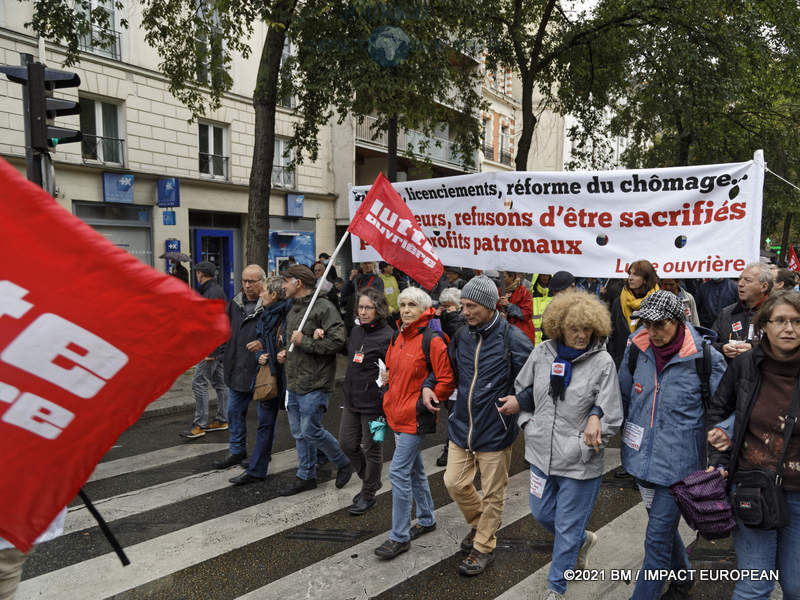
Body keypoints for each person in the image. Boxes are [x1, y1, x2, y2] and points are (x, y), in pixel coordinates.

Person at [513, 290, 622, 599]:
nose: (580, 335)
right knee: (541, 513)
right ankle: (580, 540)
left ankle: (556, 587)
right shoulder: (541, 353)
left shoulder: (602, 363)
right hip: (539, 454)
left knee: (566, 526)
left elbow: (612, 413)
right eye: (574, 328)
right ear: (559, 326)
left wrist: (594, 426)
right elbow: (522, 391)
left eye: (586, 329)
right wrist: (526, 424)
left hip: (579, 461)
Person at [618, 291, 726, 600]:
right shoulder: (637, 348)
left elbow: (726, 410)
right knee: (661, 527)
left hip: (678, 468)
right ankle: (683, 576)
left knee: (655, 541)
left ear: (679, 321)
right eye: (646, 324)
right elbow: (623, 395)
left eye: (659, 325)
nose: (651, 332)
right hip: (639, 460)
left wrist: (720, 451)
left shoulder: (706, 358)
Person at [707, 290, 800, 600]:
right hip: (752, 487)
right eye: (781, 321)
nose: (790, 328)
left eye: (798, 321)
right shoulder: (746, 364)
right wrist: (720, 446)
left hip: (799, 494)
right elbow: (720, 409)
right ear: (764, 326)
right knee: (754, 585)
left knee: (796, 585)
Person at [443, 275, 533, 576]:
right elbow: (449, 372)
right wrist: (432, 385)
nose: (465, 312)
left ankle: (483, 546)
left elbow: (536, 383)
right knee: (453, 482)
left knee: (493, 491)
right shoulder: (462, 335)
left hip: (495, 429)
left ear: (489, 305)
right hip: (462, 426)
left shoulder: (513, 338)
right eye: (463, 306)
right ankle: (481, 523)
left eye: (471, 306)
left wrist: (520, 401)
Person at [374, 287, 455, 560]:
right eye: (403, 304)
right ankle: (427, 517)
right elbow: (393, 369)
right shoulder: (398, 335)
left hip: (415, 417)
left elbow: (446, 379)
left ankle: (399, 536)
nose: (407, 310)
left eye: (412, 305)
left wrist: (428, 398)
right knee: (414, 470)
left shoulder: (433, 339)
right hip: (395, 413)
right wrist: (387, 381)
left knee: (397, 472)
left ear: (423, 310)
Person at [278, 265, 351, 496]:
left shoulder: (323, 307)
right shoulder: (293, 308)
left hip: (315, 382)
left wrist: (305, 342)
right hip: (294, 381)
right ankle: (306, 475)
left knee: (310, 430)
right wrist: (285, 352)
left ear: (298, 283)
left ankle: (343, 462)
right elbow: (293, 342)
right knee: (299, 432)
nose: (282, 285)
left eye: (285, 281)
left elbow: (338, 342)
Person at [229, 277, 289, 485]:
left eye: (263, 291)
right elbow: (263, 342)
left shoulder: (290, 314)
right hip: (269, 377)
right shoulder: (265, 316)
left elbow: (291, 343)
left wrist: (282, 350)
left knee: (304, 427)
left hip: (289, 378)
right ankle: (256, 470)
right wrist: (261, 353)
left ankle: (324, 456)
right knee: (264, 425)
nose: (260, 295)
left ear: (273, 295)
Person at [339, 288, 394, 515]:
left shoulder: (389, 336)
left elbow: (395, 367)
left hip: (376, 406)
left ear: (378, 309)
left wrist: (391, 374)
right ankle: (371, 480)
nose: (362, 312)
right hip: (352, 401)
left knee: (373, 447)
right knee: (346, 443)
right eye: (360, 307)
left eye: (368, 308)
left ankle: (368, 493)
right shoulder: (356, 331)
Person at [212, 264, 266, 470]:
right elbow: (224, 330)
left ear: (262, 282)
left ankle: (262, 453)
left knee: (263, 419)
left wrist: (262, 344)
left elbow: (279, 333)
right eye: (244, 281)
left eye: (251, 281)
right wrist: (224, 355)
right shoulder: (234, 303)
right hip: (237, 367)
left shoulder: (269, 304)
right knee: (234, 412)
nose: (246, 285)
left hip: (261, 370)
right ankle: (237, 451)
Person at [180, 261, 228, 439]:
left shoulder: (210, 292)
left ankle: (199, 424)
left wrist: (212, 351)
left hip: (209, 346)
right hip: (217, 345)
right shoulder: (215, 289)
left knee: (199, 383)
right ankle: (222, 419)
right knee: (220, 383)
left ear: (201, 274)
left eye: (197, 272)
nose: (196, 275)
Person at [433, 287, 467, 467]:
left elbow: (458, 337)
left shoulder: (462, 320)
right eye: (443, 306)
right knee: (453, 411)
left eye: (449, 306)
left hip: (460, 374)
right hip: (446, 372)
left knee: (456, 413)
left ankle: (451, 449)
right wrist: (437, 317)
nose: (446, 309)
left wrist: (452, 316)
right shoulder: (441, 318)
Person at [712, 263, 772, 362]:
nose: (740, 284)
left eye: (748, 280)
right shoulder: (727, 313)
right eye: (740, 279)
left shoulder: (776, 314)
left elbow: (785, 348)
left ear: (764, 286)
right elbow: (710, 343)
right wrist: (722, 348)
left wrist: (755, 349)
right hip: (731, 374)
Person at [608, 259, 660, 367]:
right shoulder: (619, 301)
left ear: (646, 279)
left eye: (636, 275)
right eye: (629, 274)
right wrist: (614, 358)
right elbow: (611, 332)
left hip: (649, 361)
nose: (630, 278)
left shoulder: (659, 300)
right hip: (621, 361)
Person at [498, 271, 536, 345]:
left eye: (503, 277)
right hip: (503, 335)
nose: (500, 280)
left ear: (512, 277)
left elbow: (528, 314)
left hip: (521, 337)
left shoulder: (523, 292)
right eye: (499, 277)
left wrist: (509, 306)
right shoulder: (498, 292)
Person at [530, 273, 553, 345]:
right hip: (532, 341)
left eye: (547, 275)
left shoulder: (555, 296)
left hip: (551, 341)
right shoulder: (530, 296)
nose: (545, 277)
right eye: (542, 274)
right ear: (537, 276)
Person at [378, 261, 400, 326]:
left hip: (397, 312)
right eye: (390, 266)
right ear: (384, 268)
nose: (392, 267)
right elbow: (380, 298)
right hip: (388, 314)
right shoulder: (380, 280)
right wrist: (391, 310)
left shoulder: (393, 278)